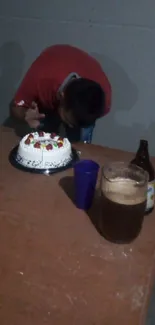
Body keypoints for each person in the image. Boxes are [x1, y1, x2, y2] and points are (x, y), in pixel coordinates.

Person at [10, 44, 112, 143]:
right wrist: (25, 115)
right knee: (46, 141)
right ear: (61, 96)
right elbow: (16, 107)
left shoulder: (104, 101)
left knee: (80, 148)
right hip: (52, 66)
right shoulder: (41, 79)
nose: (71, 127)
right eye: (69, 122)